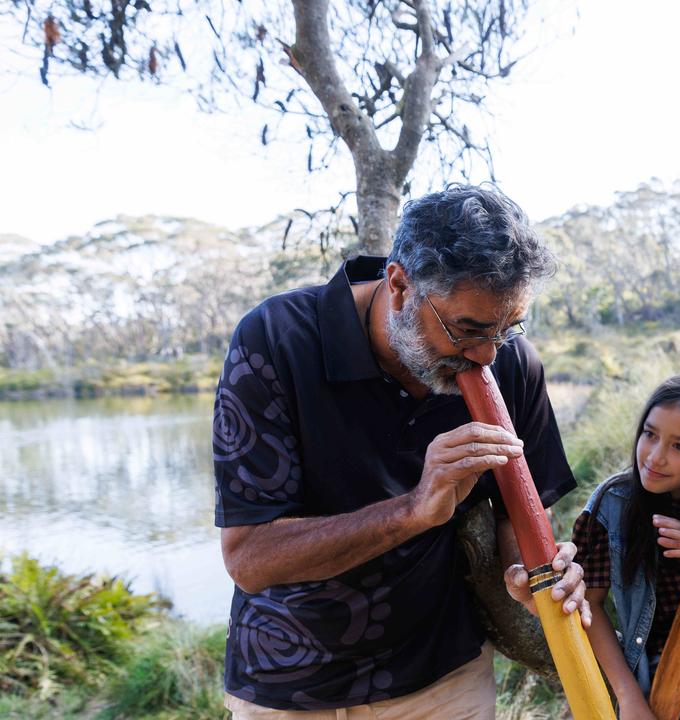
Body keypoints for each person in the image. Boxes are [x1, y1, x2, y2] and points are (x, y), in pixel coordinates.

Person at [212, 185, 588, 719]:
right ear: (399, 284)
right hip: (289, 684)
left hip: (443, 677)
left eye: (508, 328)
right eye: (467, 329)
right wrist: (414, 510)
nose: (486, 355)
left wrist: (536, 576)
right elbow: (249, 558)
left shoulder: (509, 362)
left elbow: (518, 521)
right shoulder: (276, 340)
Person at [509, 374, 680, 720]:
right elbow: (586, 609)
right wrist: (629, 698)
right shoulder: (612, 506)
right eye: (650, 434)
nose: (655, 457)